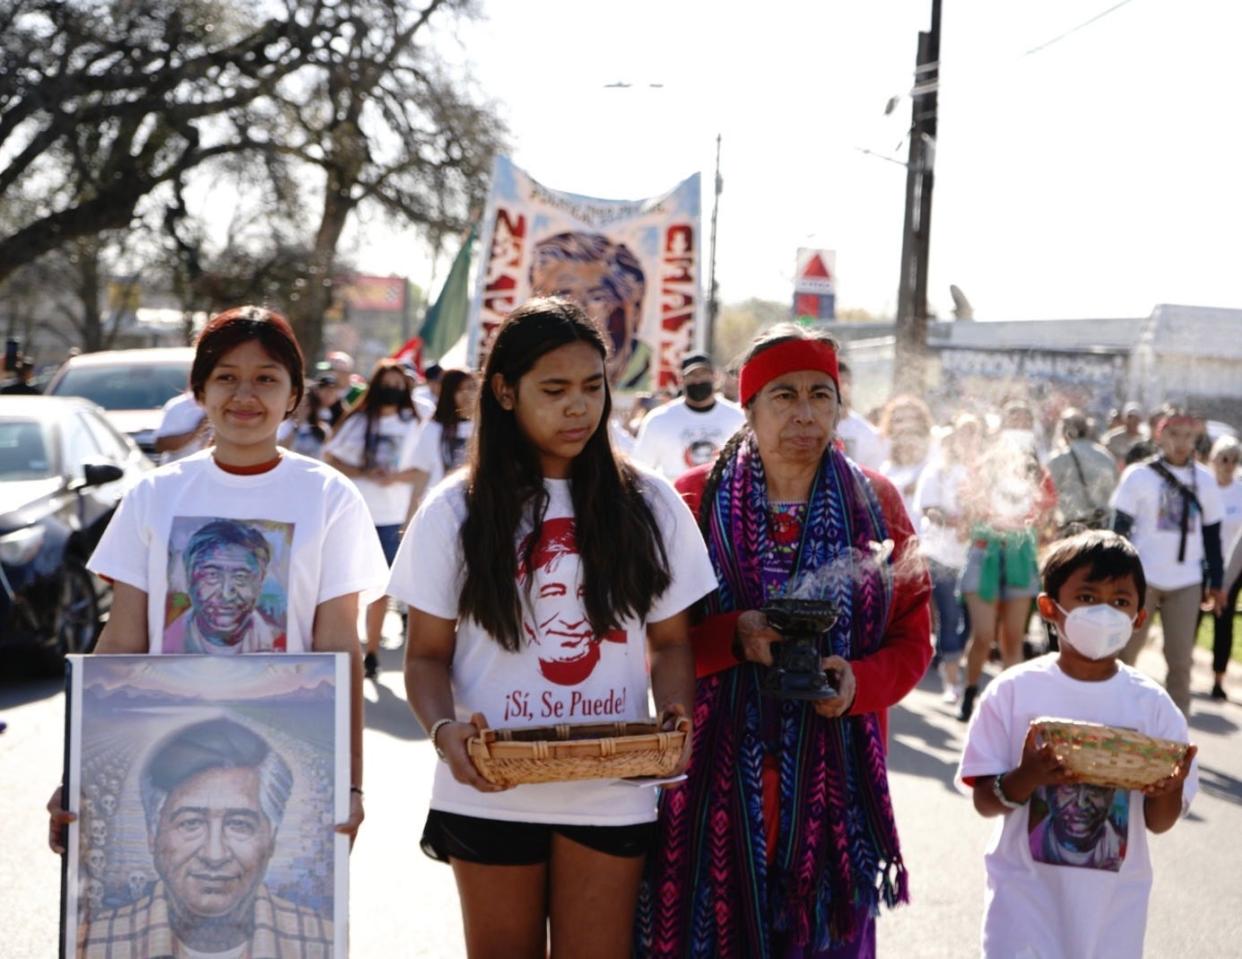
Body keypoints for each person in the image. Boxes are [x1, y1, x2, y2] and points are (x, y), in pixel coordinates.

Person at [391, 296, 715, 959]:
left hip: (611, 790)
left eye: (593, 386)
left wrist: (676, 719)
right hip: (489, 790)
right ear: (505, 392)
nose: (579, 407)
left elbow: (673, 641)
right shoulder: (454, 509)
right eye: (555, 388)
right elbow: (424, 657)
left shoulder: (651, 503)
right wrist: (444, 730)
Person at [47, 305, 389, 856]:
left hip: (291, 760)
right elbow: (121, 640)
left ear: (293, 394)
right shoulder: (154, 494)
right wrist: (78, 771)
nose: (244, 395)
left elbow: (339, 649)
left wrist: (348, 781)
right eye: (226, 377)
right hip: (159, 753)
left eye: (266, 379)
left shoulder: (328, 496)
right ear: (200, 391)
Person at [638, 323, 932, 958]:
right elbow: (652, 635)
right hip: (711, 771)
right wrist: (733, 636)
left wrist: (860, 683)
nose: (806, 413)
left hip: (837, 775)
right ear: (747, 408)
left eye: (821, 395)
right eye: (785, 396)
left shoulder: (877, 504)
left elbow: (913, 638)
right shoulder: (691, 498)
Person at [956, 530, 1198, 958]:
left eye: (1120, 602)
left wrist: (1169, 787)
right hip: (1022, 909)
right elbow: (985, 801)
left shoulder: (1154, 708)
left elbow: (1159, 822)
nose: (1104, 612)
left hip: (1112, 917)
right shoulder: (1013, 692)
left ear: (1139, 618)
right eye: (1087, 597)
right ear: (1050, 608)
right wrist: (1027, 776)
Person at [76, 717, 334, 957]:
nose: (214, 855)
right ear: (152, 832)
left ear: (272, 838)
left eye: (239, 825)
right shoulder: (91, 942)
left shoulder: (323, 941)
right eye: (191, 823)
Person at [1111, 409, 1226, 716]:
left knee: (1180, 659)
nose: (1181, 443)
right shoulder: (1139, 475)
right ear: (1160, 436)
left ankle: (1177, 732)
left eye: (1188, 436)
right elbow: (1119, 529)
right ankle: (1114, 714)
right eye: (1174, 434)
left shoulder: (1205, 480)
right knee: (1126, 651)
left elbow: (1212, 535)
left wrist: (1217, 582)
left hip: (1185, 579)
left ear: (1197, 440)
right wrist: (1114, 575)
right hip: (1142, 576)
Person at [324, 359, 426, 679]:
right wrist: (363, 471)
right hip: (359, 513)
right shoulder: (358, 421)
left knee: (384, 588)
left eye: (399, 385)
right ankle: (353, 644)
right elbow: (331, 456)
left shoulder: (416, 422)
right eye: (388, 383)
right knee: (353, 587)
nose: (393, 390)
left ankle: (372, 651)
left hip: (395, 515)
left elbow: (426, 465)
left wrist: (396, 476)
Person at [957, 405, 1057, 722]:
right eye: (1014, 420)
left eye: (1025, 421)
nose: (1019, 427)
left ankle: (1006, 709)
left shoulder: (1039, 471)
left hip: (1019, 554)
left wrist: (1035, 530)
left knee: (1013, 638)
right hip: (985, 551)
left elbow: (1046, 514)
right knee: (984, 634)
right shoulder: (986, 464)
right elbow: (969, 504)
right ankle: (970, 692)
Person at [914, 413, 982, 703]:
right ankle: (950, 680)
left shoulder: (973, 474)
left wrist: (971, 521)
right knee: (950, 616)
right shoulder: (935, 472)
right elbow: (927, 508)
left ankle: (946, 658)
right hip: (938, 554)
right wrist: (952, 520)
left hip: (969, 556)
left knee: (968, 620)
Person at [528, 231, 648, 385]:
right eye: (562, 297)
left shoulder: (656, 374)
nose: (578, 311)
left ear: (634, 311)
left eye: (597, 298)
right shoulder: (521, 369)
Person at [163, 518, 286, 653]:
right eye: (212, 575)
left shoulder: (281, 644)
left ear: (260, 582)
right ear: (189, 579)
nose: (226, 594)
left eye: (241, 577)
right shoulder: (165, 643)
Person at [631, 352, 744, 481]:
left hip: (722, 498)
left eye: (704, 374)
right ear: (681, 379)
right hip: (675, 499)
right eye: (692, 375)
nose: (698, 380)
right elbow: (641, 471)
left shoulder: (737, 418)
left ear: (715, 376)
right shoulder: (659, 420)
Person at [406, 368, 478, 512]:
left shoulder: (485, 427)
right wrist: (410, 518)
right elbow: (421, 475)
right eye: (459, 389)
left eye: (471, 387)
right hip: (441, 509)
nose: (467, 394)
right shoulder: (432, 428)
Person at [1208, 436, 1242, 700]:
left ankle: (1218, 678)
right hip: (1202, 563)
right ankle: (1180, 669)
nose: (1229, 464)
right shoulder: (1204, 487)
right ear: (1214, 459)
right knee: (1191, 620)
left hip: (1231, 566)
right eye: (1224, 458)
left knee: (1224, 621)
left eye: (1234, 459)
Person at [1047, 407, 1118, 534]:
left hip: (1072, 528)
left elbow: (1050, 494)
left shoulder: (1059, 458)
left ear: (1065, 431)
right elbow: (1114, 491)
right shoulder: (1105, 455)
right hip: (1102, 526)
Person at [877, 393, 935, 522]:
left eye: (911, 418)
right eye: (899, 420)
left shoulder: (934, 456)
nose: (905, 425)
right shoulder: (884, 463)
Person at [832, 358, 886, 469]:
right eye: (834, 383)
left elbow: (872, 478)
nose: (839, 389)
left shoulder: (868, 434)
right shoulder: (807, 429)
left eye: (843, 383)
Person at [153, 387, 211, 464]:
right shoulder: (178, 406)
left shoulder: (227, 404)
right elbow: (161, 445)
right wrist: (198, 430)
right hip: (182, 471)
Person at [1102, 402, 1148, 466]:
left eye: (1135, 419)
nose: (1132, 422)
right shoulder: (1113, 438)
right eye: (1130, 418)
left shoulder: (1144, 440)